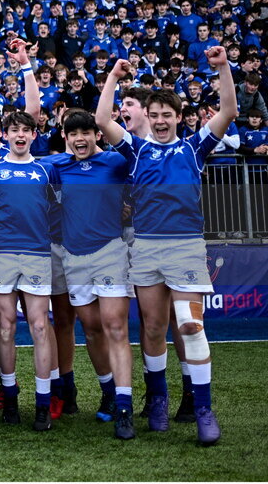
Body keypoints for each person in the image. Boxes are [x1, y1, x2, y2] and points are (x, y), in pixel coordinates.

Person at [96, 49, 237, 445]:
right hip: (145, 249)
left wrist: (223, 67)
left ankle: (204, 411)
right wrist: (113, 74)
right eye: (153, 115)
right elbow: (102, 120)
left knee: (191, 326)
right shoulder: (137, 151)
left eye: (166, 115)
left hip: (186, 248)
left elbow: (228, 109)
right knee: (155, 329)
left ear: (178, 117)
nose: (159, 121)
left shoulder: (194, 148)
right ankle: (157, 399)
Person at [46, 109, 134, 439]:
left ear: (97, 134)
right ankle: (109, 391)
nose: (80, 138)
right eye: (73, 134)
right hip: (73, 257)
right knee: (93, 328)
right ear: (66, 138)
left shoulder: (115, 162)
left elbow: (145, 166)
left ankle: (124, 407)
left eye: (86, 132)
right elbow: (20, 163)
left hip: (110, 251)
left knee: (114, 326)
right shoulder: (57, 165)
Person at [0, 108, 60, 432]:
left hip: (38, 254)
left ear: (33, 135)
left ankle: (43, 403)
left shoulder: (45, 170)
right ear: (6, 135)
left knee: (40, 327)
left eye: (26, 130)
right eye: (14, 130)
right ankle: (10, 396)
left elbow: (59, 207)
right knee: (5, 328)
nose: (21, 135)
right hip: (3, 256)